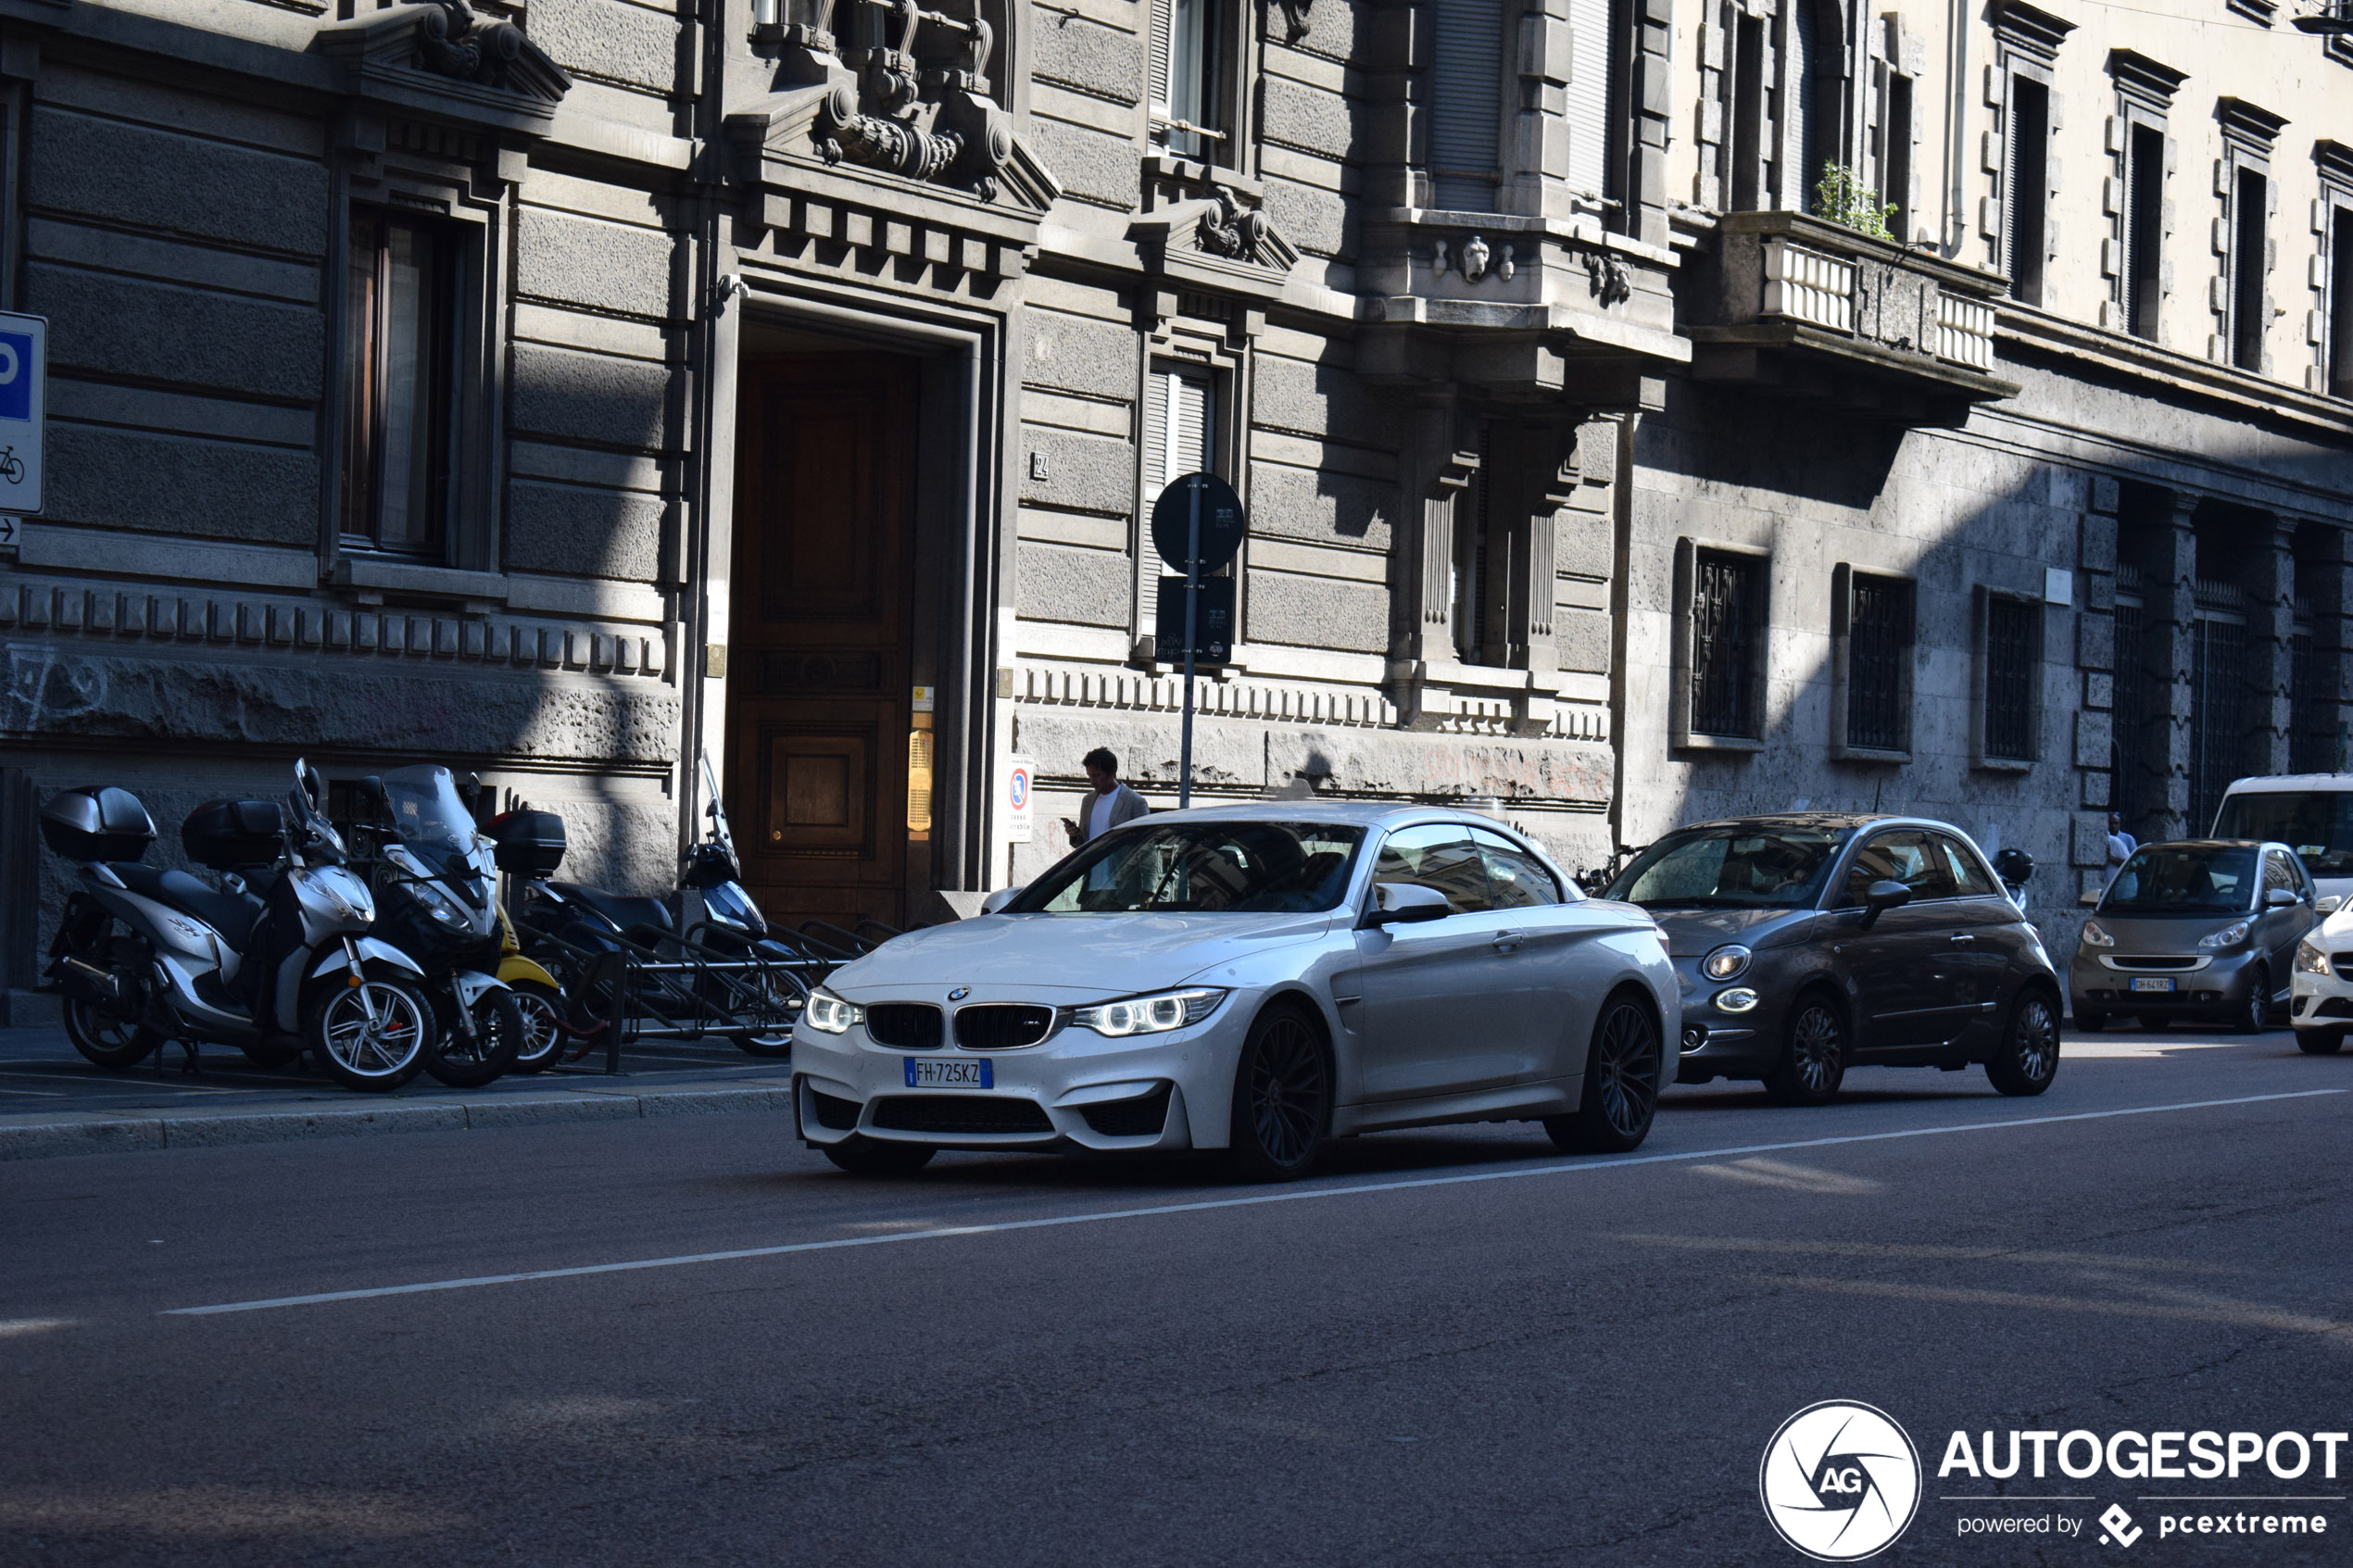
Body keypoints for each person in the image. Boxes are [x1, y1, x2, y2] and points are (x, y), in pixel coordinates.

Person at [1061, 747, 1150, 848]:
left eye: (1096, 775)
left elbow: (1145, 843)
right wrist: (1074, 835)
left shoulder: (1135, 802)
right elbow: (1083, 843)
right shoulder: (1088, 801)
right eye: (1089, 776)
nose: (1092, 781)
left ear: (1112, 773)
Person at [2104, 811, 2136, 884]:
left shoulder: (2128, 839)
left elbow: (2133, 863)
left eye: (2115, 823)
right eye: (2110, 823)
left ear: (2119, 824)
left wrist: (2111, 858)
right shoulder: (2105, 838)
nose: (2113, 826)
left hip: (2125, 880)